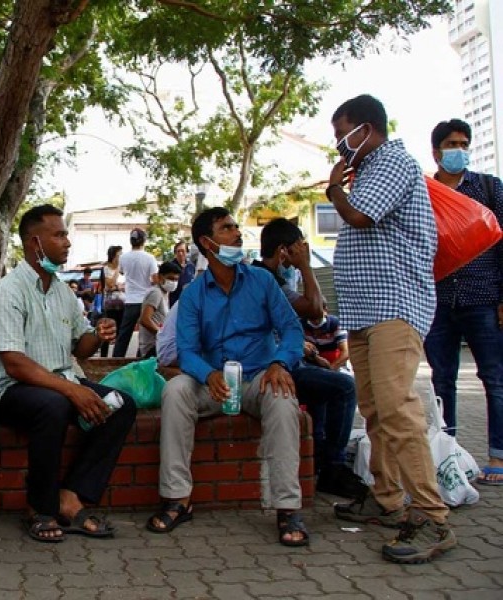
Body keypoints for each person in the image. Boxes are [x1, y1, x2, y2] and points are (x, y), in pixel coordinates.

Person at [326, 94, 455, 563]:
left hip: (394, 306)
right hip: (366, 311)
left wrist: (335, 190)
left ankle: (432, 516)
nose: (339, 144)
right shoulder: (371, 168)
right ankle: (386, 499)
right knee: (376, 410)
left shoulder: (392, 162)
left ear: (365, 128)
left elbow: (359, 215)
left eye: (343, 134)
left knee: (398, 410)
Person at [147, 207, 309, 547]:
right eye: (227, 228)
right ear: (207, 243)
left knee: (283, 398)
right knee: (176, 390)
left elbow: (291, 330)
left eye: (236, 227)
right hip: (214, 385)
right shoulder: (192, 293)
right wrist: (208, 375)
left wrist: (280, 363)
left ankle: (287, 507)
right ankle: (178, 499)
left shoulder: (262, 280)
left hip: (257, 378)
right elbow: (187, 351)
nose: (237, 233)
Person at [0, 204, 137, 544]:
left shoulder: (63, 292)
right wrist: (73, 391)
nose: (67, 242)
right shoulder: (7, 292)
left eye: (66, 234)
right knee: (52, 404)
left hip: (59, 382)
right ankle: (40, 508)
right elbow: (14, 364)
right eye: (59, 234)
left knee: (121, 404)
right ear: (34, 242)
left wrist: (99, 334)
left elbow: (79, 348)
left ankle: (71, 494)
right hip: (12, 390)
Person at [253, 218, 364, 500]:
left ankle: (320, 459)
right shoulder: (266, 280)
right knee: (345, 387)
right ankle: (333, 468)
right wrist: (305, 265)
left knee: (324, 387)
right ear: (283, 251)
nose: (299, 257)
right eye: (296, 250)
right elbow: (315, 310)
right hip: (274, 366)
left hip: (289, 358)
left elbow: (319, 309)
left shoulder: (273, 277)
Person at [423, 119, 503, 486]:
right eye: (452, 143)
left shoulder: (488, 187)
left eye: (464, 143)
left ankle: (497, 457)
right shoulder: (424, 192)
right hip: (438, 300)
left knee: (494, 379)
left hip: (483, 296)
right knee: (443, 381)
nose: (460, 149)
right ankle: (449, 456)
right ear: (436, 150)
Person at [113, 228, 157, 357]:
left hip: (131, 300)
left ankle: (116, 360)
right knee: (146, 335)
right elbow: (154, 279)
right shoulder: (150, 258)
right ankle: (143, 359)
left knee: (124, 335)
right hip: (146, 302)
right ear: (144, 240)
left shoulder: (123, 258)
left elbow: (121, 272)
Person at [138, 261, 181, 358]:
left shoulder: (165, 293)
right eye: (170, 278)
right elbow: (145, 320)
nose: (173, 282)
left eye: (176, 279)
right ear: (160, 277)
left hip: (159, 345)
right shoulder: (156, 293)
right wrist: (162, 335)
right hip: (152, 348)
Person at [100, 245, 124, 358]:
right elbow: (109, 285)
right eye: (119, 254)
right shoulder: (106, 268)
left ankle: (117, 357)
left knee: (120, 332)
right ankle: (103, 357)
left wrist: (118, 287)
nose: (121, 257)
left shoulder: (124, 270)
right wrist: (117, 270)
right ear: (113, 256)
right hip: (110, 305)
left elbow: (126, 286)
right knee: (107, 331)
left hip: (123, 303)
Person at [167, 241, 195, 307]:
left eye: (183, 251)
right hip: (173, 303)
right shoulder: (170, 266)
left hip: (188, 303)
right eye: (178, 251)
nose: (180, 253)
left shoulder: (191, 266)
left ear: (187, 252)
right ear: (175, 253)